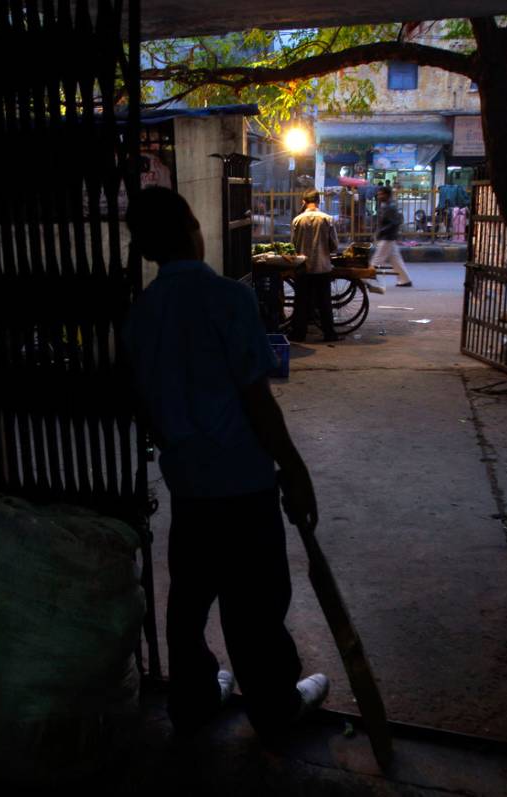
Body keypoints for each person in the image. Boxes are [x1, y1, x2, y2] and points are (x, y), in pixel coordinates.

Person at [122, 187, 330, 739]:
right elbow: (256, 400)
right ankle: (273, 705)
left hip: (189, 484)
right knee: (255, 605)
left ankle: (192, 700)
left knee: (188, 600)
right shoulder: (228, 300)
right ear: (195, 227)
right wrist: (294, 468)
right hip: (244, 482)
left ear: (145, 251)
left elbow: (143, 406)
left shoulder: (140, 315)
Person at [289, 189, 341, 343]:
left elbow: (293, 246)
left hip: (303, 267)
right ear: (318, 202)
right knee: (324, 301)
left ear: (303, 202)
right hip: (322, 267)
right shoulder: (327, 219)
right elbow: (334, 245)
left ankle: (298, 334)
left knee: (301, 302)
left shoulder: (297, 220)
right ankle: (329, 334)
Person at [370, 186, 414, 288]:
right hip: (388, 236)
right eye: (379, 194)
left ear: (387, 195)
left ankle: (366, 280)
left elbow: (393, 223)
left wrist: (380, 232)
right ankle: (405, 280)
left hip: (387, 237)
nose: (379, 196)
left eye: (381, 194)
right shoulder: (387, 205)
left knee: (376, 260)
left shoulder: (390, 207)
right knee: (396, 260)